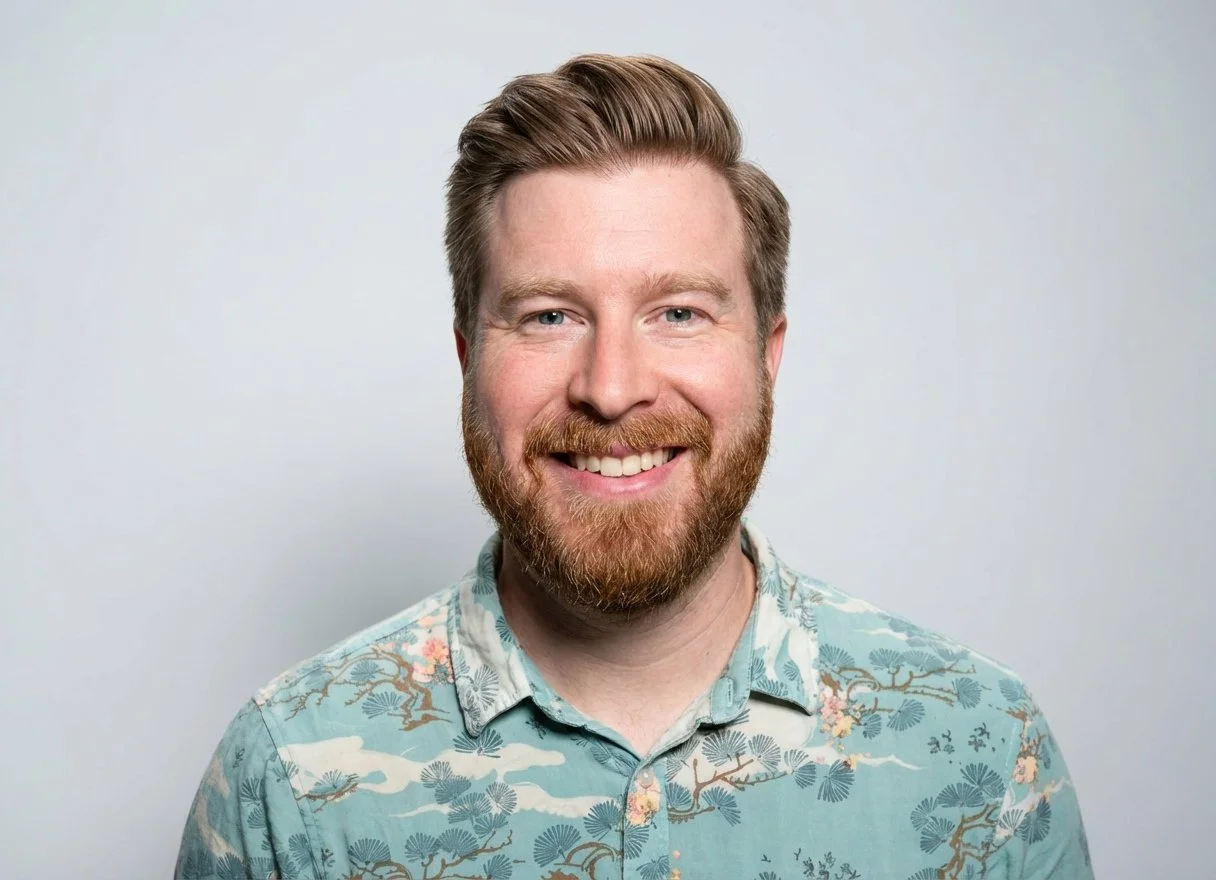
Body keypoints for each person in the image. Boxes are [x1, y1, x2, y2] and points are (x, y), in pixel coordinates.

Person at [176, 54, 1091, 880]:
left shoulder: (980, 752)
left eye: (680, 313)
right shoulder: (286, 779)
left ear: (767, 356)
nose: (611, 390)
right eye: (547, 316)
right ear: (468, 361)